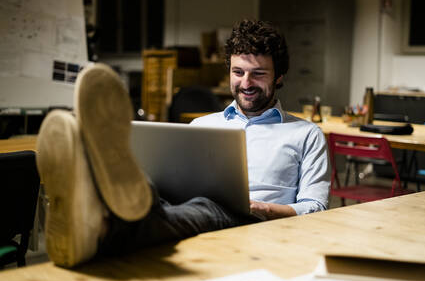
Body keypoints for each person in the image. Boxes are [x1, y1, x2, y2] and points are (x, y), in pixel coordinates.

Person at [36, 19, 330, 268]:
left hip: (251, 222)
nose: (246, 83)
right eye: (238, 72)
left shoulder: (305, 134)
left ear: (279, 77)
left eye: (258, 74)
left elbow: (316, 207)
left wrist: (263, 208)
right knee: (155, 193)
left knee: (203, 206)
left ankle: (98, 220)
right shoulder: (202, 126)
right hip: (183, 207)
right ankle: (103, 206)